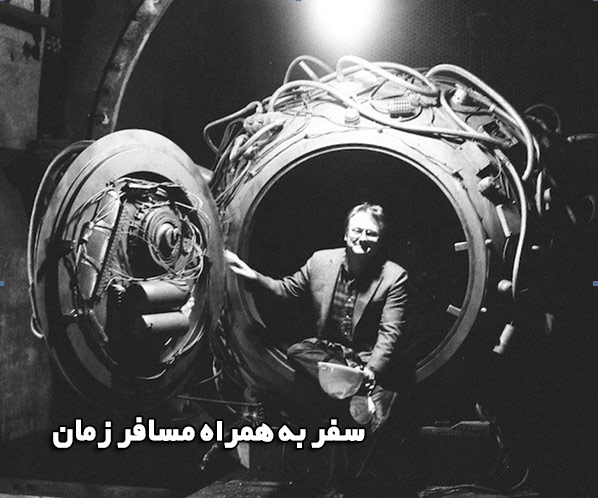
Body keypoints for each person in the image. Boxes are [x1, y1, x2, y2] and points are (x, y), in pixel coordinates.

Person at [225, 202, 410, 497]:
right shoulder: (321, 261)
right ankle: (352, 388)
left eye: (371, 233)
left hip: (364, 360)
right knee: (297, 351)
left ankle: (337, 481)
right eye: (357, 231)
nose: (363, 238)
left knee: (340, 410)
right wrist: (253, 276)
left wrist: (371, 371)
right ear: (346, 234)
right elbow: (286, 290)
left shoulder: (394, 277)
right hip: (330, 356)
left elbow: (391, 333)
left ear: (380, 240)